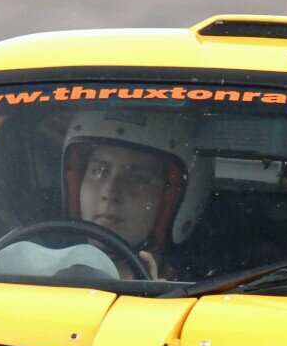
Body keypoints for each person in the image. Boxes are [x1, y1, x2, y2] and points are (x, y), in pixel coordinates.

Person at [60, 110, 209, 278]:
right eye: (98, 171)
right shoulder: (34, 271)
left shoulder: (200, 298)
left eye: (139, 179)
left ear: (170, 200)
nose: (110, 192)